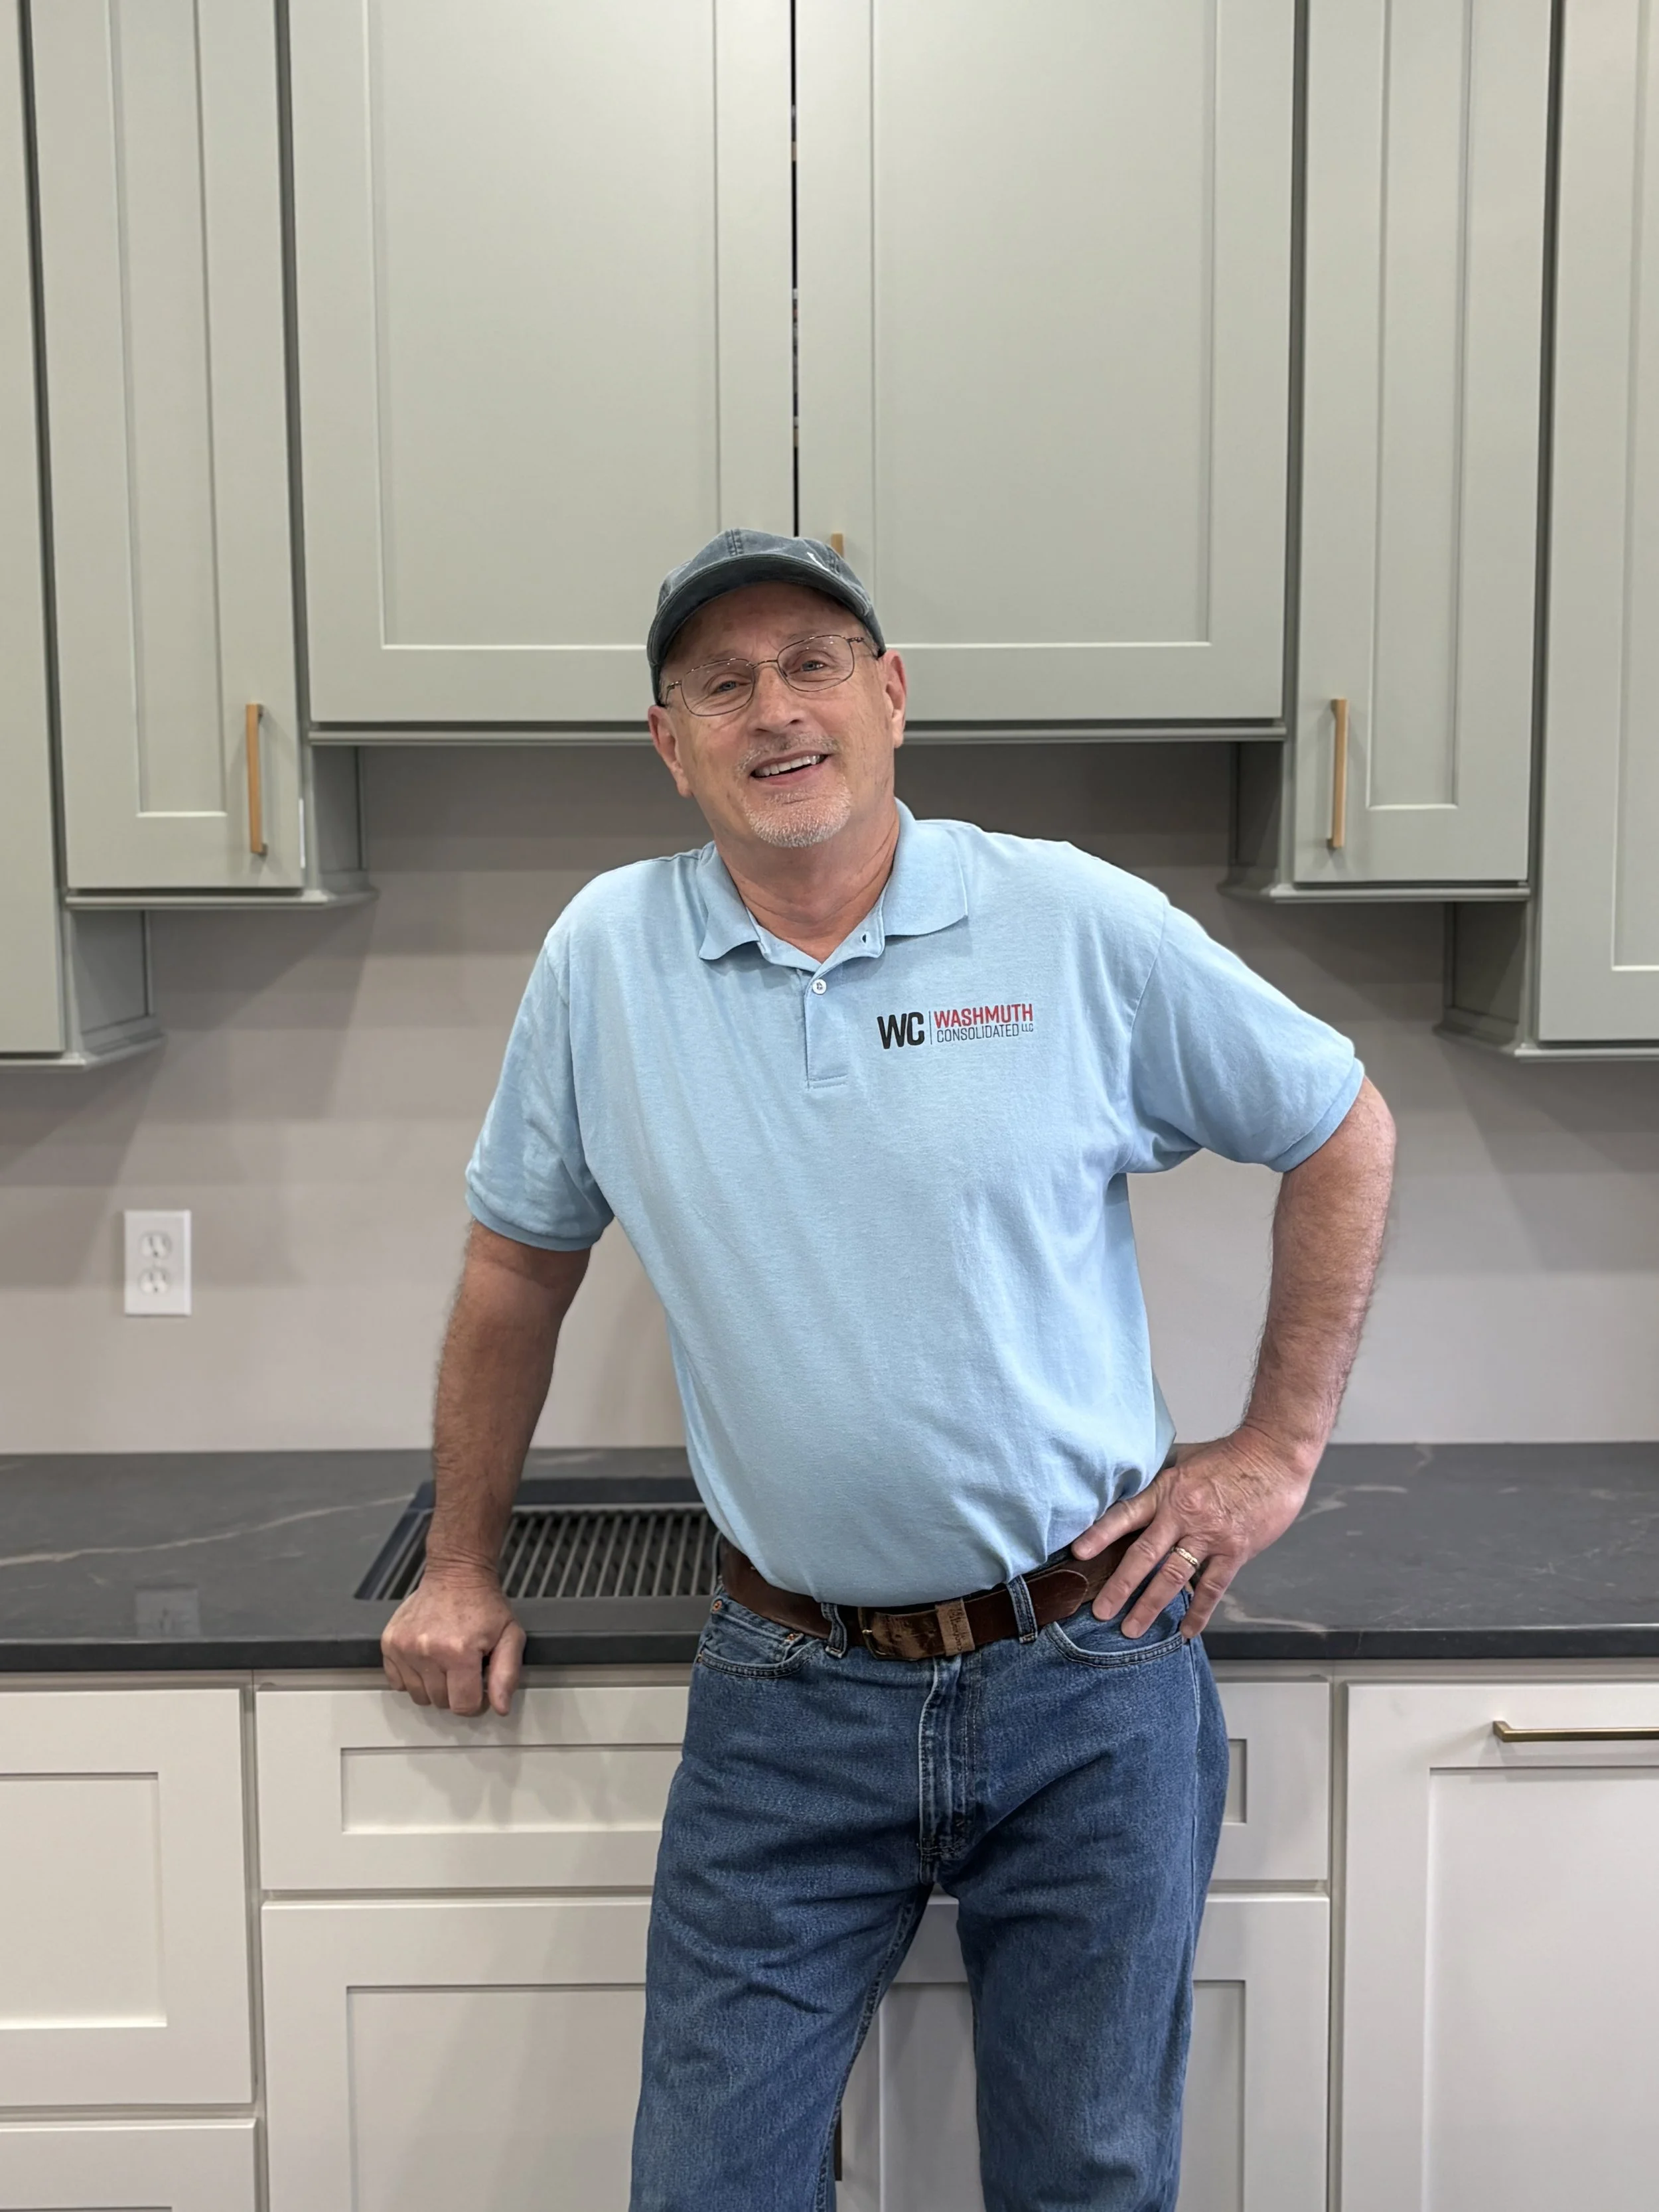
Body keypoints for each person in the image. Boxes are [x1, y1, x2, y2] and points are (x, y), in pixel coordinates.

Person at [381, 531, 1396, 2211]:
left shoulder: (1062, 918)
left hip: (1089, 1668)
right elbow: (514, 1266)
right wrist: (461, 1559)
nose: (774, 710)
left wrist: (1272, 1449)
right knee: (709, 2184)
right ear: (669, 740)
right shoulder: (605, 958)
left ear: (890, 694)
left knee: (1086, 2176)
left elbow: (1337, 1125)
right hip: (786, 1693)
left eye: (812, 663)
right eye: (722, 681)